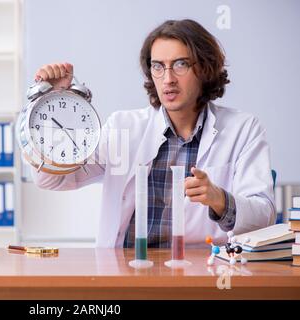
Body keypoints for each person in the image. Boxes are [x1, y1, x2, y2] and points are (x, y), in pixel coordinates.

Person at [30, 19, 275, 248]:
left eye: (180, 64)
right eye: (158, 66)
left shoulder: (243, 129)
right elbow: (53, 179)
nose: (168, 79)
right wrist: (52, 101)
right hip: (127, 276)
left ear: (205, 68)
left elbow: (264, 215)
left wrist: (219, 198)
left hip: (202, 277)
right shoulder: (122, 129)